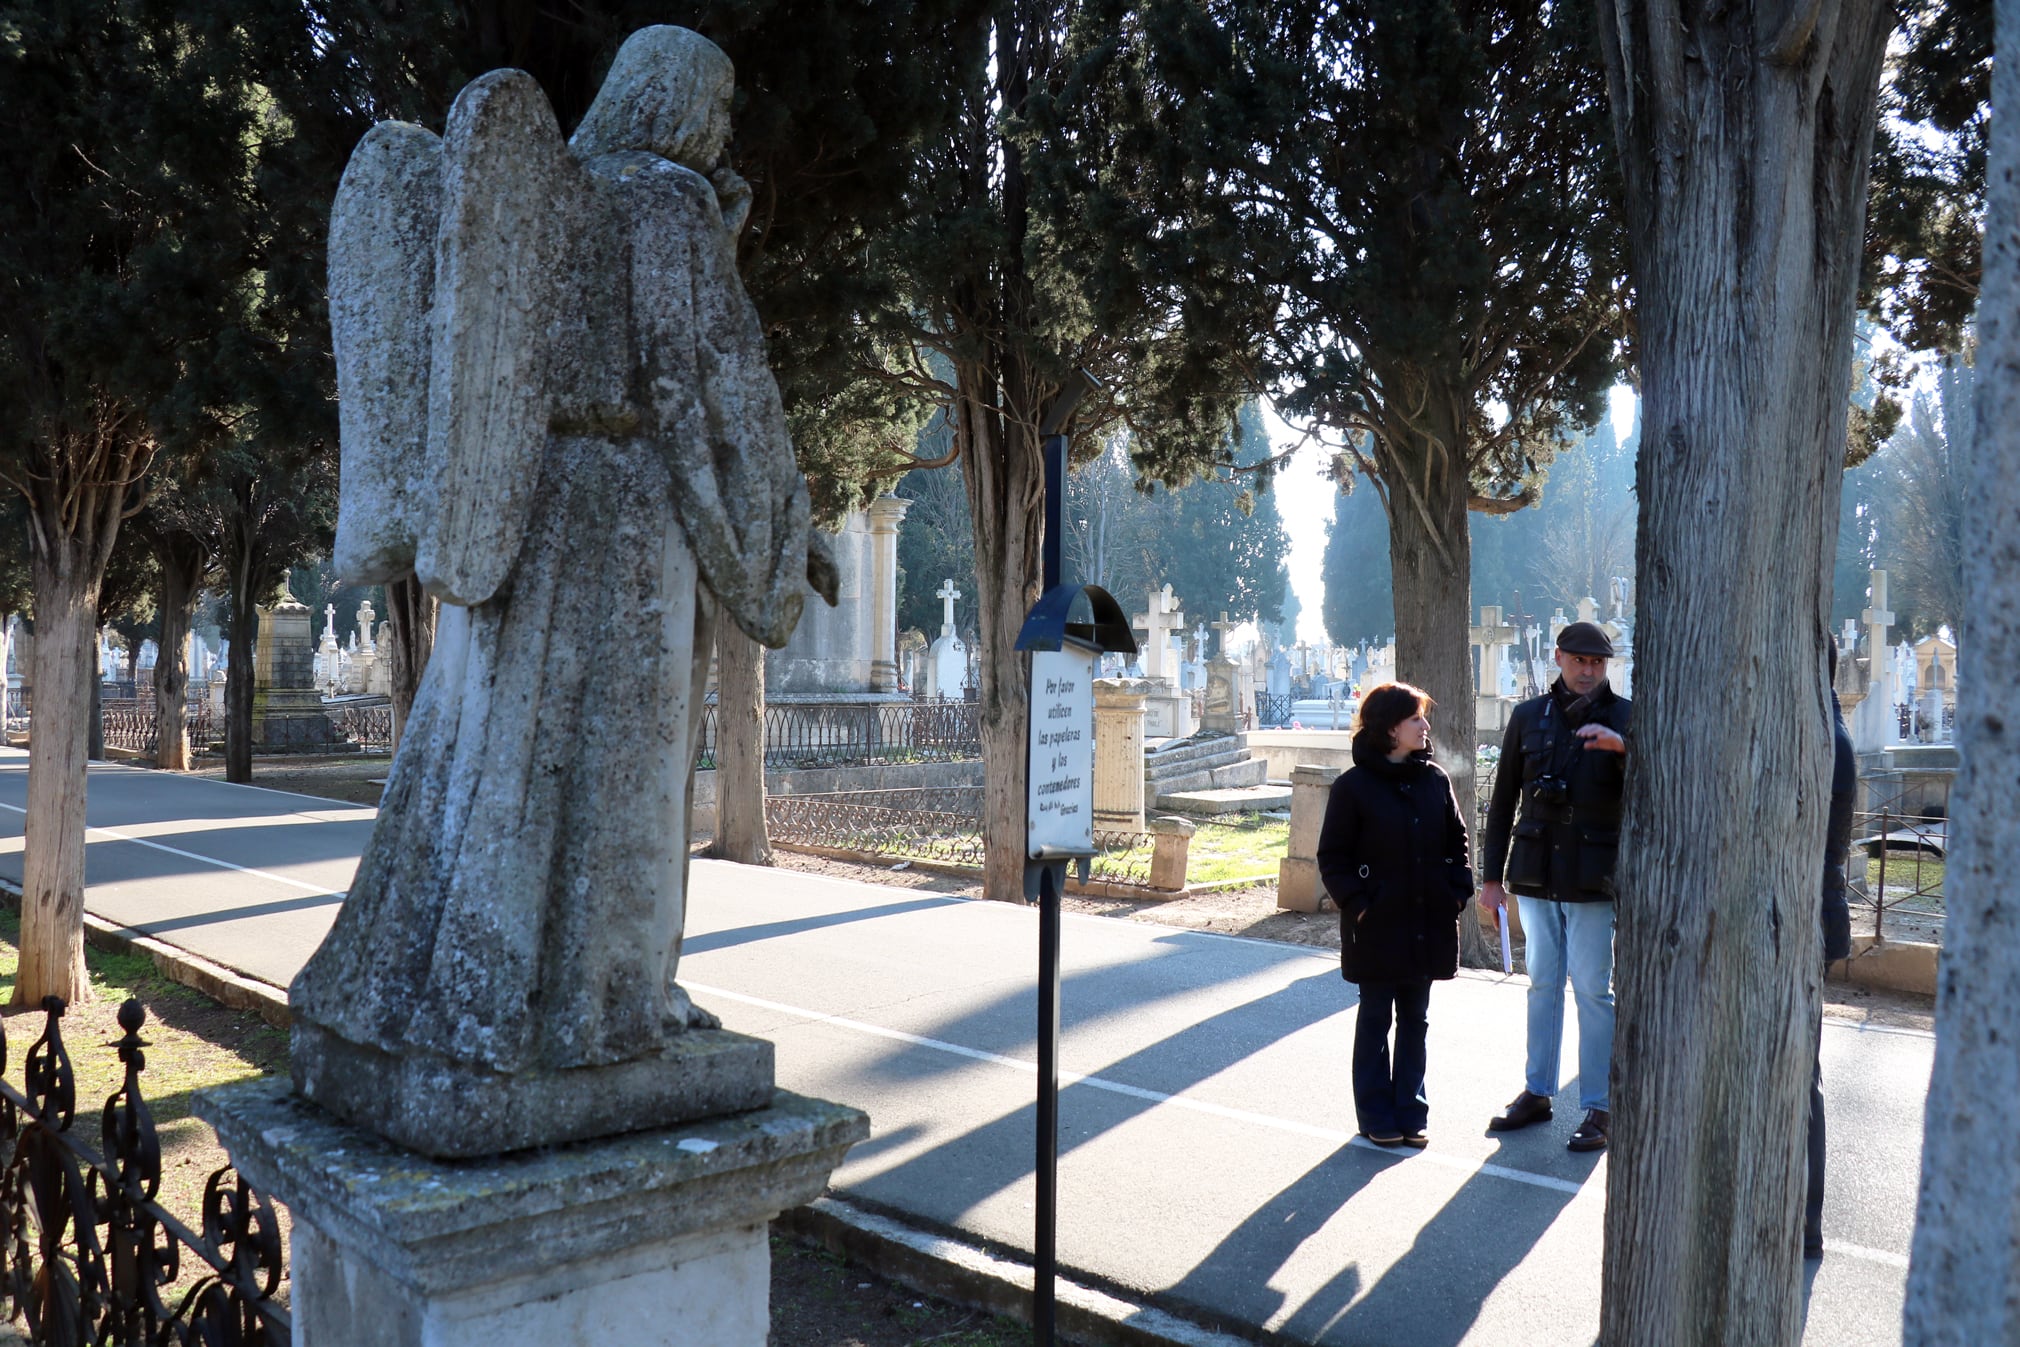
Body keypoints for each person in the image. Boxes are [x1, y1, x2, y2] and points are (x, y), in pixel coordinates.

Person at [1478, 621, 1631, 1152]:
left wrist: (1624, 751)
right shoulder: (1528, 718)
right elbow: (1502, 804)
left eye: (1598, 663)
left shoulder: (1625, 718)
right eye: (1580, 661)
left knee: (1593, 989)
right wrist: (1491, 879)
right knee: (1542, 984)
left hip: (1593, 876)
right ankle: (1537, 1092)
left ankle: (1600, 1107)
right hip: (1537, 870)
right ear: (1560, 659)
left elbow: (1656, 792)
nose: (1588, 671)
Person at [1317, 683, 1475, 1147]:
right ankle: (1375, 1114)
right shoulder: (1353, 787)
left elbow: (1457, 843)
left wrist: (1456, 893)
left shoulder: (1435, 780)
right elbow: (1333, 858)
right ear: (1391, 728)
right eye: (1416, 720)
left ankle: (1411, 1109)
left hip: (1427, 921)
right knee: (1374, 1019)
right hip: (1378, 927)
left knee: (1416, 1019)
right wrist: (1362, 907)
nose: (1426, 727)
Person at [1808, 641, 1857, 1257]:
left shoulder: (1822, 734)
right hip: (1813, 915)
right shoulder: (1824, 724)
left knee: (1799, 1077)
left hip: (1808, 919)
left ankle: (1804, 1222)